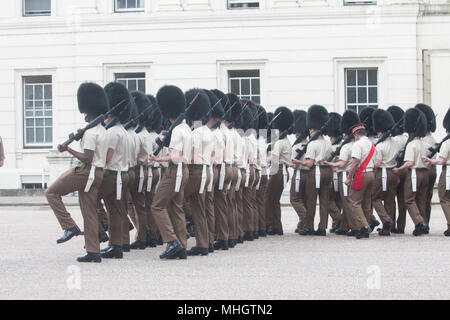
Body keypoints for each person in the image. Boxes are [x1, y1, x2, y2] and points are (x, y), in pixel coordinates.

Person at [45, 82, 109, 262]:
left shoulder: (90, 133)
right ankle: (93, 251)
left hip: (86, 172)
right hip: (98, 173)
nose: (84, 115)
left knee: (51, 192)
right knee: (89, 212)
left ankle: (69, 226)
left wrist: (68, 149)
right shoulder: (102, 131)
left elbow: (87, 157)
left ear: (89, 112)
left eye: (85, 113)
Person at [149, 85, 192, 260]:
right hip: (185, 170)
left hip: (175, 171)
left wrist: (157, 159)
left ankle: (171, 241)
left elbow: (174, 156)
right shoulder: (187, 128)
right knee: (176, 208)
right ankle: (181, 245)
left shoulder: (176, 130)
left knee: (157, 205)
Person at [183, 89, 213, 256]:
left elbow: (190, 155)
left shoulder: (194, 133)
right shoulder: (208, 132)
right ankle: (204, 243)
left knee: (177, 200)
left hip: (195, 171)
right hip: (207, 171)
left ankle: (181, 237)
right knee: (199, 208)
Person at [392, 108, 430, 236]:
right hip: (425, 173)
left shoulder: (411, 145)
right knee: (421, 200)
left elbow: (409, 163)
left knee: (408, 199)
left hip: (414, 174)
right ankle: (424, 223)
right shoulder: (424, 144)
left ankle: (420, 222)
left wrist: (399, 169)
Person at [296, 105, 332, 236]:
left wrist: (299, 162)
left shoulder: (312, 144)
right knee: (324, 201)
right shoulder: (328, 142)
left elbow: (310, 162)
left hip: (316, 171)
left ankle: (309, 226)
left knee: (311, 200)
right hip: (327, 171)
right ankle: (322, 227)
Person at [325, 110, 361, 236]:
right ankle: (344, 226)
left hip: (344, 174)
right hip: (351, 174)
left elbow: (341, 164)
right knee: (345, 201)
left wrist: (329, 164)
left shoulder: (345, 147)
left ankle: (355, 226)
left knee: (346, 202)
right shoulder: (356, 144)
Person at [372, 109, 401, 236]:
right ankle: (388, 226)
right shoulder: (395, 143)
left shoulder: (380, 146)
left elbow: (377, 163)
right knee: (390, 199)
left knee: (374, 197)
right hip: (393, 172)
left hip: (382, 172)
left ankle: (386, 219)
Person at [344, 123, 376, 239]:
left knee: (354, 201)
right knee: (366, 203)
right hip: (371, 173)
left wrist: (349, 177)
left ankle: (364, 226)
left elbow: (355, 161)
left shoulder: (358, 144)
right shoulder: (371, 144)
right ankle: (365, 225)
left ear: (356, 135)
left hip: (361, 174)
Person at [265, 107, 293, 235]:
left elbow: (274, 159)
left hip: (277, 171)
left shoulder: (279, 142)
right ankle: (278, 226)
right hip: (284, 171)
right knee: (275, 200)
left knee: (269, 199)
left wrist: (266, 158)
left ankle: (270, 225)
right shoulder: (286, 141)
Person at [423, 107, 450, 236]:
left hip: (448, 172)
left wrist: (429, 160)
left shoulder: (447, 142)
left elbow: (441, 160)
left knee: (444, 198)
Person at [415, 104, 438, 225]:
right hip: (431, 169)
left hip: (426, 169)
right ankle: (425, 221)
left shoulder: (425, 139)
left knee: (421, 198)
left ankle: (422, 222)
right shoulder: (431, 138)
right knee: (426, 198)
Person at [387, 106, 408, 234]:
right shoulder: (406, 138)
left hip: (396, 170)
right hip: (406, 170)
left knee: (390, 199)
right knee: (402, 200)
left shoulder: (394, 140)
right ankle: (401, 226)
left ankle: (391, 224)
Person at [290, 110, 310, 235]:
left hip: (299, 174)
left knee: (295, 199)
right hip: (308, 174)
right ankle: (302, 223)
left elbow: (293, 163)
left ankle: (306, 220)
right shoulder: (309, 143)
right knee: (303, 199)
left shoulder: (297, 145)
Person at [324, 112, 343, 232]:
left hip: (334, 174)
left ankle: (340, 220)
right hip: (340, 174)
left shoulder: (332, 146)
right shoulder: (341, 144)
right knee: (338, 201)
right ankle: (336, 224)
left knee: (329, 200)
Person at [255, 105, 269, 237]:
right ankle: (262, 227)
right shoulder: (263, 139)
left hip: (258, 171)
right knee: (260, 201)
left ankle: (256, 227)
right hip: (265, 172)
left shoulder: (255, 140)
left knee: (254, 202)